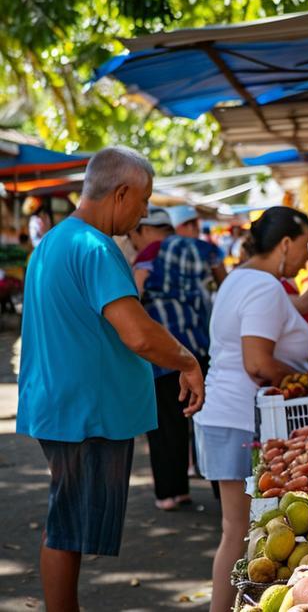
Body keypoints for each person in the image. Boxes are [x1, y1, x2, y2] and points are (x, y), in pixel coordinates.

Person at [17, 147, 205, 612]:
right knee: (67, 528)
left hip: (65, 405)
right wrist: (187, 362)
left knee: (70, 524)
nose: (144, 212)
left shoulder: (54, 243)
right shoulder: (95, 248)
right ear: (120, 193)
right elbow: (138, 333)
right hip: (85, 412)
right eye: (142, 201)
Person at [196, 207, 308, 612]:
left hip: (227, 414)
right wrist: (304, 384)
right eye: (303, 247)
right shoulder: (264, 287)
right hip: (238, 417)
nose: (305, 258)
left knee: (240, 532)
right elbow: (259, 362)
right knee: (238, 533)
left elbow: (274, 336)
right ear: (285, 244)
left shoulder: (242, 279)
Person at [127, 206, 213, 511]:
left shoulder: (149, 252)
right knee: (201, 417)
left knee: (165, 422)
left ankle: (170, 492)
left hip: (165, 351)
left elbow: (133, 295)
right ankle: (217, 485)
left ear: (145, 231)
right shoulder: (198, 248)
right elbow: (220, 281)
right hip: (200, 344)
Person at [167, 205, 229, 289]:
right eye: (196, 223)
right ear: (189, 226)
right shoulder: (208, 249)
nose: (199, 229)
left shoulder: (163, 249)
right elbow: (224, 282)